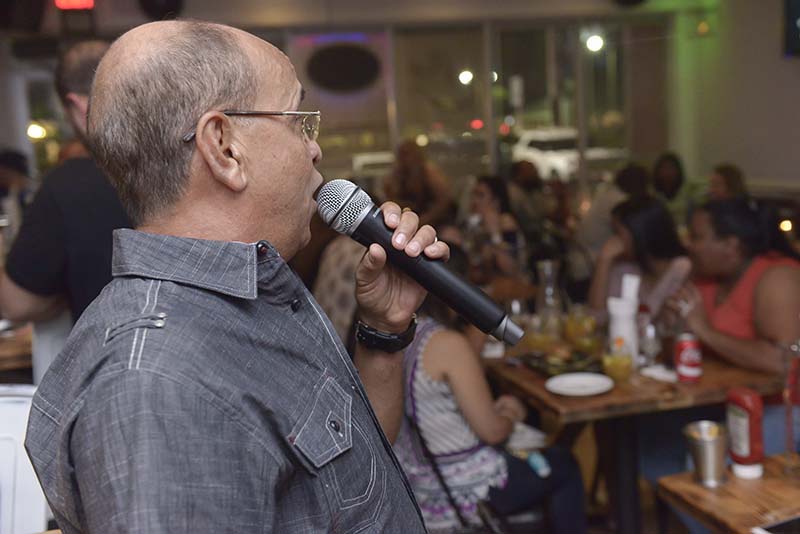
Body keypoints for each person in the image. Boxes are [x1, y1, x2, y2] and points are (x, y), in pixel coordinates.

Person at [25, 21, 449, 533]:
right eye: (299, 122)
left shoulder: (248, 292)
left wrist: (384, 330)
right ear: (224, 148)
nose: (315, 148)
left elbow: (352, 479)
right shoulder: (159, 389)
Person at [393, 245, 587, 534]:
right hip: (464, 491)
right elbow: (494, 432)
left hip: (419, 486)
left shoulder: (401, 336)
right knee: (564, 464)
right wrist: (511, 414)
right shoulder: (445, 343)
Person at [0, 41, 131, 324]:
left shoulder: (66, 185)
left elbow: (16, 305)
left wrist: (63, 293)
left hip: (114, 345)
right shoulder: (190, 162)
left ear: (78, 106)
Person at [588, 196, 691, 319]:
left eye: (618, 233)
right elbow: (597, 316)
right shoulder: (624, 268)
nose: (614, 240)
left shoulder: (682, 268)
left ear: (639, 233)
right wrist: (603, 260)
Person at [465, 175, 527, 279]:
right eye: (474, 194)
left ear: (496, 201)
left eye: (480, 195)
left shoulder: (507, 223)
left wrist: (495, 234)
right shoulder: (476, 224)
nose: (474, 201)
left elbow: (511, 269)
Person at [384, 139, 453, 226]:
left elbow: (444, 200)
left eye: (408, 154)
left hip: (434, 220)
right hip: (406, 218)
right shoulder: (397, 174)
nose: (405, 158)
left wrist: (425, 219)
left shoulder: (428, 172)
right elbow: (390, 197)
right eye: (402, 154)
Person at [652, 152, 704, 226]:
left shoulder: (689, 191)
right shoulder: (653, 194)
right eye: (664, 168)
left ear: (678, 170)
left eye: (671, 168)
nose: (667, 172)